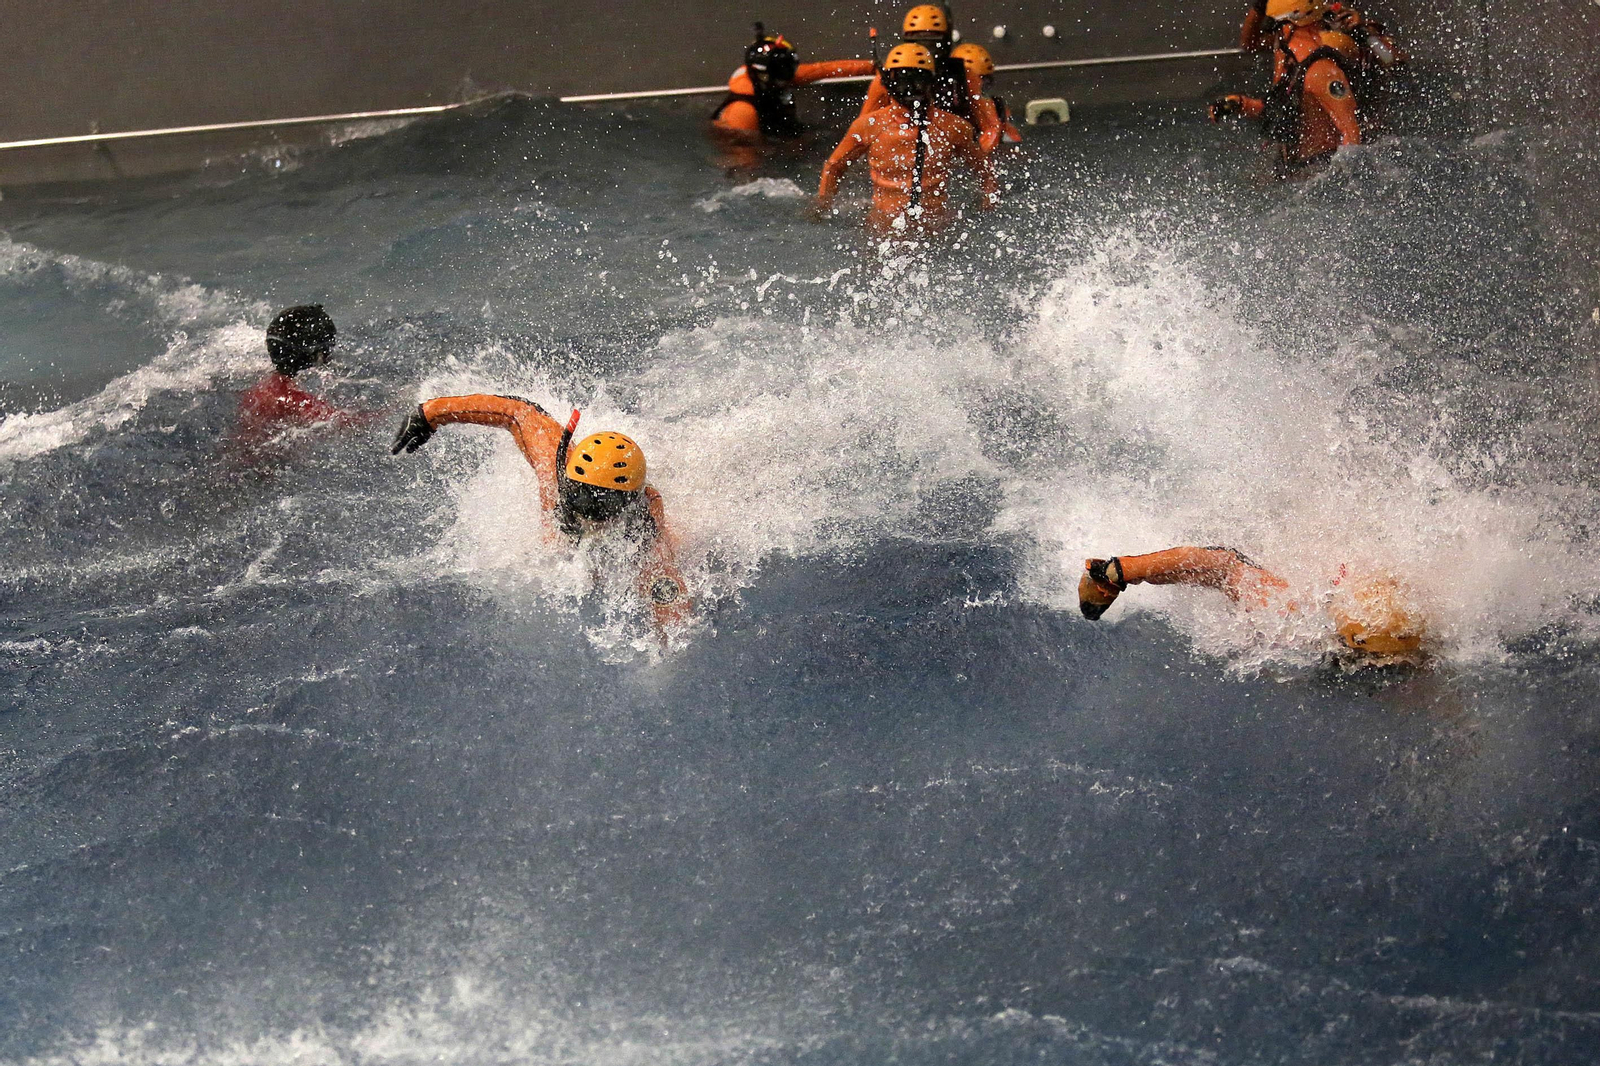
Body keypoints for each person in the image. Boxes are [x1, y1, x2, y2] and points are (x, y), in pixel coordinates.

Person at [389, 394, 693, 631]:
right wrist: (430, 413)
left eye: (602, 508)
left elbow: (667, 591)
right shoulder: (554, 467)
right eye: (581, 498)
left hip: (639, 537)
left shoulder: (645, 526)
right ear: (570, 481)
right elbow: (518, 412)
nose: (589, 514)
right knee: (555, 545)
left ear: (628, 504)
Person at [1077, 546, 1427, 659]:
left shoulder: (1405, 614)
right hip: (1318, 599)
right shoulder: (1295, 610)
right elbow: (1222, 563)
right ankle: (1116, 572)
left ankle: (1119, 572)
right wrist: (1123, 570)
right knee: (1227, 570)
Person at [814, 43, 997, 236]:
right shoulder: (870, 126)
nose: (910, 87)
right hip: (892, 230)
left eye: (917, 79)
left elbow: (833, 167)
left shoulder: (953, 128)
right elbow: (834, 167)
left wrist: (820, 209)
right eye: (905, 79)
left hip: (921, 231)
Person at [1211, 0, 1363, 171]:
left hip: (1317, 168)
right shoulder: (1293, 65)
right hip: (1295, 168)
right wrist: (1241, 104)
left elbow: (1352, 139)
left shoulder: (1321, 70)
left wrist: (1340, 178)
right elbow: (1277, 108)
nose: (1275, 36)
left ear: (1289, 27)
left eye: (1276, 28)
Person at [853, 5, 1002, 155]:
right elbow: (863, 132)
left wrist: (973, 158)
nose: (927, 50)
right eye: (919, 41)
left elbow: (991, 128)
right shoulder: (888, 79)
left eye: (933, 41)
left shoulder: (965, 75)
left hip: (954, 156)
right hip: (903, 155)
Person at [234, 305, 368, 450]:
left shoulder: (264, 387)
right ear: (317, 354)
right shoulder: (291, 399)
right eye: (328, 349)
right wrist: (395, 409)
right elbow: (346, 424)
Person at [710, 25, 875, 139]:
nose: (791, 77)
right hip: (748, 148)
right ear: (764, 74)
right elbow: (746, 163)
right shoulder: (742, 112)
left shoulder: (776, 76)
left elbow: (824, 69)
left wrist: (874, 68)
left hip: (772, 135)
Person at [950, 43, 1023, 145]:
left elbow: (1013, 142)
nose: (981, 85)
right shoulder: (947, 106)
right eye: (977, 79)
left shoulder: (996, 107)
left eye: (984, 79)